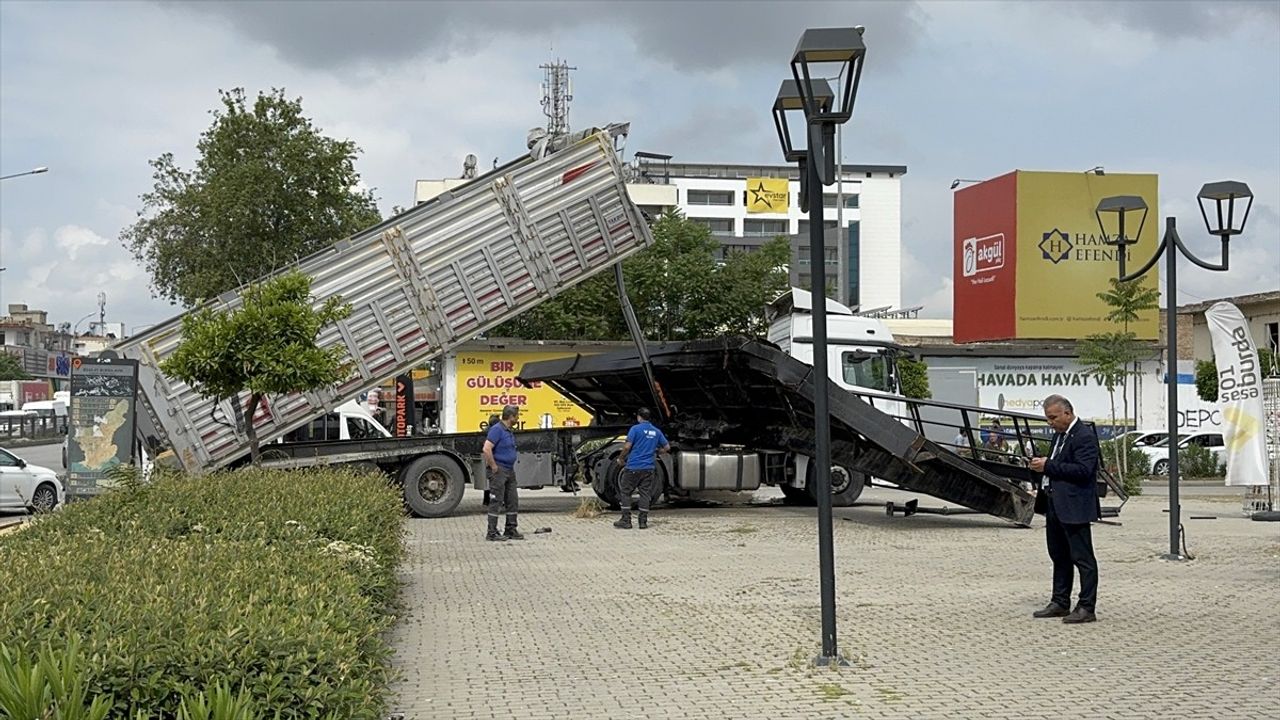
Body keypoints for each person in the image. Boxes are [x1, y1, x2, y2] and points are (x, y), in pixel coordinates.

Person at [1028, 394, 1101, 624]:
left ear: (1067, 414)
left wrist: (1048, 466)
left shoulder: (1084, 436)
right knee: (1059, 555)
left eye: (1053, 418)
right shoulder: (1059, 436)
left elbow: (1083, 470)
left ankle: (1086, 606)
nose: (1050, 422)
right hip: (1055, 504)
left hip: (1075, 506)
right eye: (1048, 419)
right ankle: (1060, 601)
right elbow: (1058, 465)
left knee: (1083, 558)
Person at [613, 407, 671, 530]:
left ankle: (626, 520)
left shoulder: (635, 429)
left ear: (639, 417)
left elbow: (627, 447)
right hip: (649, 468)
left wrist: (621, 458)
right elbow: (667, 447)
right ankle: (643, 522)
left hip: (633, 466)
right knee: (645, 494)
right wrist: (656, 452)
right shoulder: (656, 431)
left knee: (626, 492)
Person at [482, 405, 523, 542]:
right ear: (511, 417)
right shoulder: (497, 430)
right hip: (499, 470)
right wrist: (494, 466)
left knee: (512, 500)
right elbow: (487, 449)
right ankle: (492, 532)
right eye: (517, 416)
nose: (518, 418)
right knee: (496, 500)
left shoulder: (508, 430)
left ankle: (511, 529)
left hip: (509, 470)